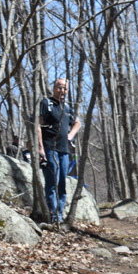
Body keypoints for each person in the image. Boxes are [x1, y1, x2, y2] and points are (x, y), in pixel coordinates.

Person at [37, 78, 81, 224]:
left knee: (62, 184)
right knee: (52, 184)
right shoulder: (46, 103)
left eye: (65, 89)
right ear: (54, 88)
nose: (62, 91)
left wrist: (70, 135)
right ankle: (54, 217)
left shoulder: (66, 108)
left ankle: (60, 216)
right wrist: (40, 148)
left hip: (64, 151)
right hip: (50, 149)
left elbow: (78, 123)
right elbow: (37, 124)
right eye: (59, 88)